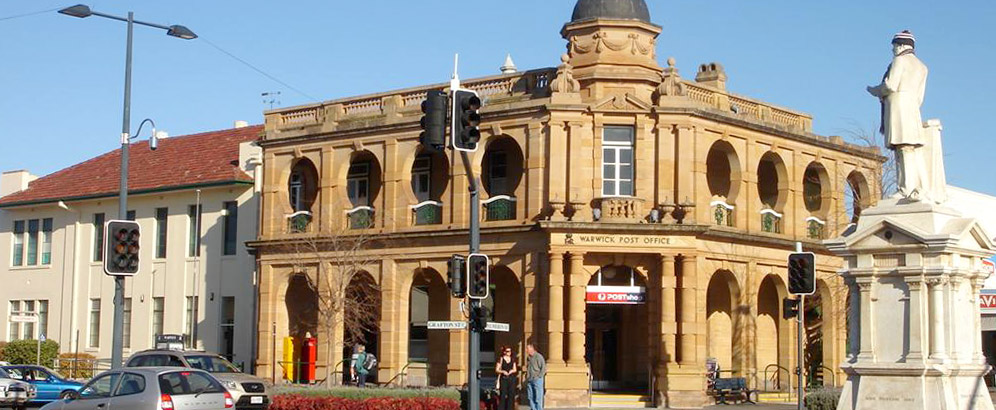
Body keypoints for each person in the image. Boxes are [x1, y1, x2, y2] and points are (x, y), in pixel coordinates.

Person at [495, 346, 518, 410]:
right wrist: (503, 371)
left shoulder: (512, 359)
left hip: (511, 378)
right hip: (504, 378)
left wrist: (512, 371)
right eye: (507, 351)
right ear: (504, 352)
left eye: (510, 351)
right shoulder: (501, 359)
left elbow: (515, 369)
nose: (509, 353)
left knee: (511, 394)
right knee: (503, 394)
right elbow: (497, 369)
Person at [525, 343, 546, 410]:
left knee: (538, 397)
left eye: (527, 349)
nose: (526, 350)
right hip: (530, 379)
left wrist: (539, 376)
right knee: (530, 396)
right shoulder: (528, 358)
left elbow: (543, 368)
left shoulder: (538, 356)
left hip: (537, 379)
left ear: (532, 349)